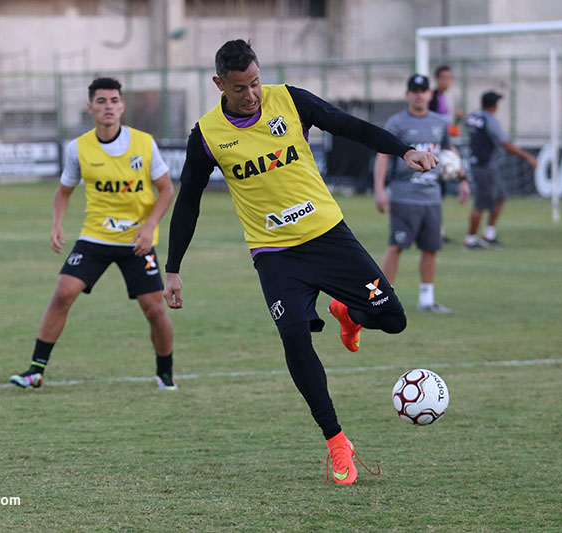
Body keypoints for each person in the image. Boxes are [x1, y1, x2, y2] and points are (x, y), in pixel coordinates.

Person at [162, 39, 437, 486]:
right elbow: (188, 200)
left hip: (329, 237)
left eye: (254, 83)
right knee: (294, 337)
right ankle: (337, 442)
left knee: (393, 319)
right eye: (238, 88)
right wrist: (173, 267)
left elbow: (350, 126)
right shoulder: (208, 135)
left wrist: (403, 150)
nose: (251, 95)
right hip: (275, 256)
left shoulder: (288, 100)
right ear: (218, 85)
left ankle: (347, 311)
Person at [10, 77, 178, 390]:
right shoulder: (79, 148)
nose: (108, 107)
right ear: (90, 108)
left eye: (114, 100)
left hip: (136, 243)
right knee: (62, 294)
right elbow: (63, 192)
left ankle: (165, 373)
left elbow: (167, 190)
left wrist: (149, 227)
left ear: (122, 106)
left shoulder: (144, 143)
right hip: (95, 238)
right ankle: (35, 371)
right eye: (101, 101)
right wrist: (57, 224)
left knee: (155, 310)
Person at [373, 74, 470, 314]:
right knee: (396, 245)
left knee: (431, 247)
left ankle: (427, 299)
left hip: (432, 198)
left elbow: (450, 151)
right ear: (407, 95)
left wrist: (462, 179)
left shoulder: (440, 122)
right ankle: (383, 301)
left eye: (423, 90)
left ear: (429, 94)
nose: (419, 94)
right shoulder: (397, 123)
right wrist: (379, 189)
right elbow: (383, 155)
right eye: (414, 90)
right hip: (404, 196)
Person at [463, 91, 537, 249]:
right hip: (484, 167)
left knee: (500, 197)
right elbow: (505, 143)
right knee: (481, 204)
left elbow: (466, 122)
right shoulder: (490, 120)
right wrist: (527, 157)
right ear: (494, 106)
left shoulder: (473, 116)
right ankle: (470, 240)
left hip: (481, 165)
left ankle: (488, 235)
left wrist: (460, 116)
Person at [428, 65, 464, 243]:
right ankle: (434, 230)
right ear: (437, 79)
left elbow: (447, 129)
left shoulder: (442, 98)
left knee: (438, 193)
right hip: (434, 152)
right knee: (432, 192)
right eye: (444, 78)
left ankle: (437, 230)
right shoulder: (433, 98)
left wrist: (457, 120)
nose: (447, 81)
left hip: (444, 148)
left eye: (449, 78)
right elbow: (433, 127)